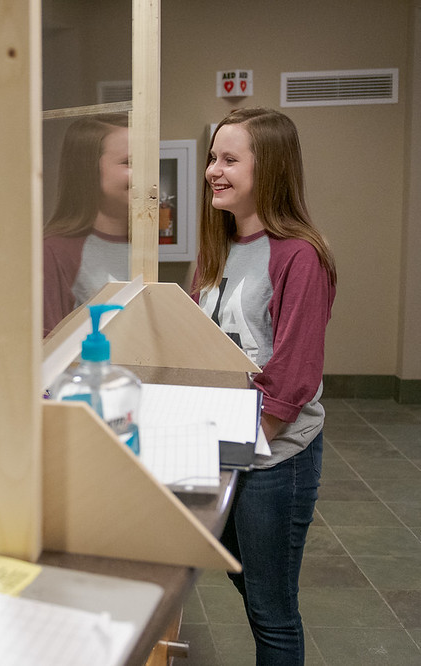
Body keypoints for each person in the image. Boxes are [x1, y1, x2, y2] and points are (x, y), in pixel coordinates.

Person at [191, 107, 336, 665]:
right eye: (212, 158)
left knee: (273, 617)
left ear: (268, 169)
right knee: (254, 596)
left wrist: (228, 454)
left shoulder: (301, 256)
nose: (212, 170)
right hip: (224, 447)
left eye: (230, 159)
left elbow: (292, 380)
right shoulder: (216, 246)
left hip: (274, 459)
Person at [43, 112, 131, 335]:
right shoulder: (52, 252)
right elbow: (45, 351)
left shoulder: (145, 243)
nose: (147, 173)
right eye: (128, 162)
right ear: (88, 168)